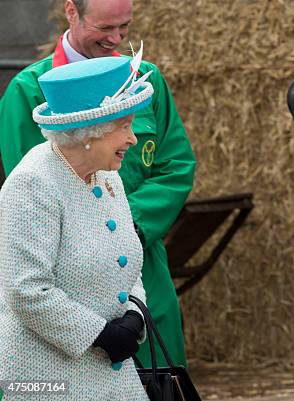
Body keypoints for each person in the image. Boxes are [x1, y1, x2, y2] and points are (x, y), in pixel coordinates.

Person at [0, 0, 196, 368]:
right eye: (105, 28)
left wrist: (130, 226)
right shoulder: (28, 90)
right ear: (72, 11)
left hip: (144, 265)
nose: (116, 38)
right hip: (69, 280)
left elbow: (177, 165)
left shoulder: (146, 81)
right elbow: (33, 196)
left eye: (124, 27)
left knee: (162, 379)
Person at [0, 56, 152, 400]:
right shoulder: (33, 183)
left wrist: (134, 314)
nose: (132, 138)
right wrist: (100, 335)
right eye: (124, 126)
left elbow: (126, 261)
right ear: (88, 133)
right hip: (45, 380)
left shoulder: (108, 176)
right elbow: (26, 289)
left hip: (114, 379)